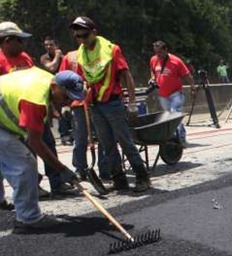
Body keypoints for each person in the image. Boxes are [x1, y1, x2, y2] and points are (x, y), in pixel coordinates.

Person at [69, 16, 150, 192]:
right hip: (95, 105)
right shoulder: (82, 53)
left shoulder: (112, 50)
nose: (81, 39)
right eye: (78, 36)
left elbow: (126, 76)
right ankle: (119, 180)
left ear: (94, 32)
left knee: (125, 141)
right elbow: (85, 79)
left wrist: (133, 104)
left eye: (84, 35)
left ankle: (142, 176)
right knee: (106, 145)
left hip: (113, 103)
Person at [0, 67, 84, 233]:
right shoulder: (35, 100)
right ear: (54, 87)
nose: (67, 102)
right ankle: (28, 218)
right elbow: (35, 143)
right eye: (66, 97)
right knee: (25, 164)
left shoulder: (49, 81)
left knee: (6, 158)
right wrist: (62, 169)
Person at [0, 21, 73, 199]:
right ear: (6, 40)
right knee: (25, 157)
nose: (23, 44)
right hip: (13, 116)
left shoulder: (24, 57)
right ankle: (31, 191)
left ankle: (57, 182)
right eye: (19, 40)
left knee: (47, 142)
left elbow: (37, 81)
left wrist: (51, 109)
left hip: (32, 108)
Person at [59, 49, 114, 182]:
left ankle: (105, 169)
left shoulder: (100, 53)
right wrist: (65, 105)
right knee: (80, 137)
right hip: (78, 104)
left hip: (97, 101)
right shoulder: (70, 56)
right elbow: (62, 79)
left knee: (103, 136)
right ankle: (80, 169)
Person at [149, 40, 195, 144]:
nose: (158, 55)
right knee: (168, 117)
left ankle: (180, 137)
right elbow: (152, 70)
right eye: (156, 53)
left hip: (176, 93)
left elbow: (187, 75)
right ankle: (174, 137)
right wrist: (152, 78)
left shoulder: (176, 61)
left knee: (174, 114)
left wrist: (192, 87)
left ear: (166, 50)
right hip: (162, 94)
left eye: (160, 53)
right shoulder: (153, 59)